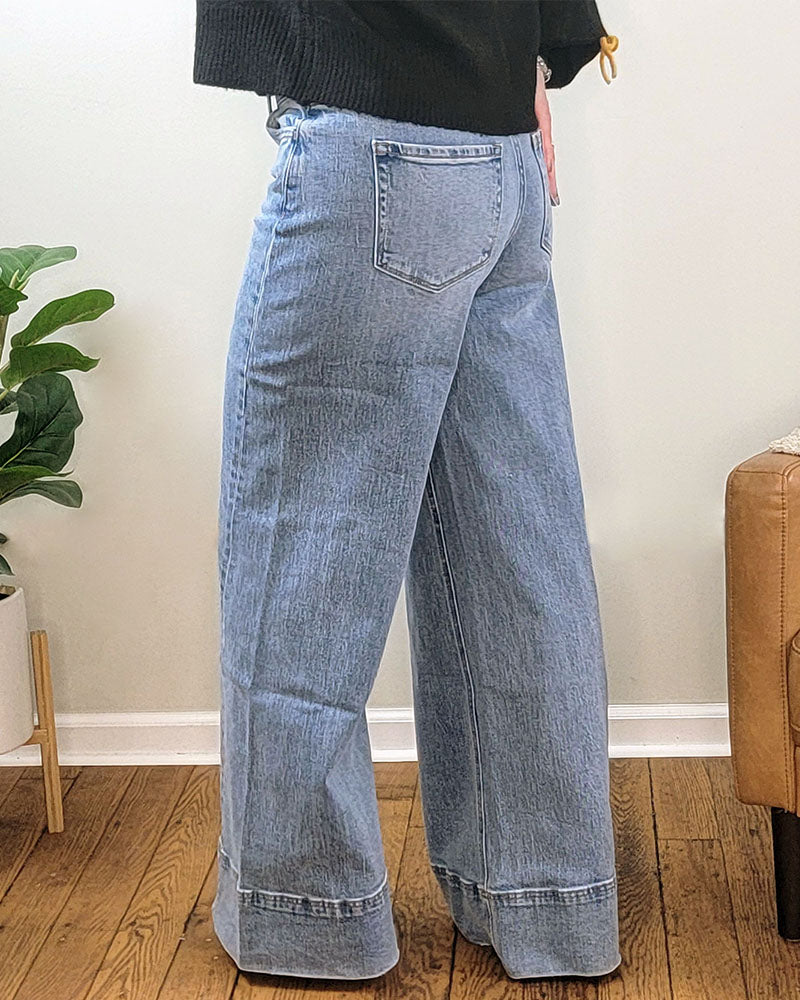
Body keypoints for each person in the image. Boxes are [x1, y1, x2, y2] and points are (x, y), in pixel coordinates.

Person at [193, 0, 621, 982]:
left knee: (302, 548)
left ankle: (306, 913)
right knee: (514, 552)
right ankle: (549, 901)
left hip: (373, 136)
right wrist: (535, 58)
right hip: (500, 149)